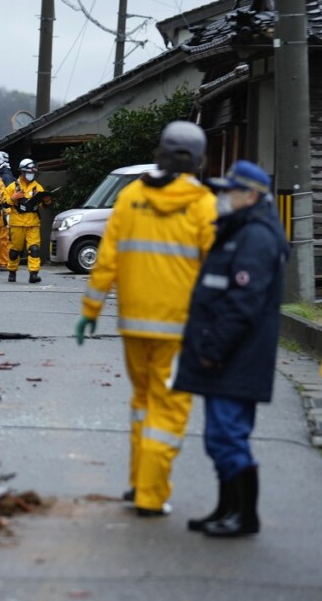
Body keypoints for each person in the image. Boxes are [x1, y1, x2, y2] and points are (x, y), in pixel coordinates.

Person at [75, 121, 217, 517]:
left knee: (141, 404)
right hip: (179, 328)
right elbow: (215, 269)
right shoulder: (204, 203)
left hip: (134, 324)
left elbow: (106, 261)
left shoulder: (132, 196)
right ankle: (150, 496)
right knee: (167, 411)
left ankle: (139, 481)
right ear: (198, 160)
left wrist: (90, 312)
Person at [172, 160, 288, 537]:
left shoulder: (256, 236)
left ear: (251, 195)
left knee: (228, 436)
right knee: (219, 437)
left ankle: (244, 516)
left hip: (236, 355)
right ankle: (227, 509)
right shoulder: (241, 228)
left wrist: (214, 348)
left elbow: (244, 302)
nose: (221, 196)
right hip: (228, 354)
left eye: (228, 190)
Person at [3, 158, 50, 283]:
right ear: (22, 172)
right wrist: (13, 198)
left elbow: (43, 206)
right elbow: (3, 203)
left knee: (34, 249)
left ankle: (33, 273)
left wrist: (46, 201)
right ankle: (12, 271)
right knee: (15, 250)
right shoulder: (13, 187)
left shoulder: (38, 188)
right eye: (28, 172)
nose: (30, 175)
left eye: (32, 173)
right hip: (17, 223)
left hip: (33, 223)